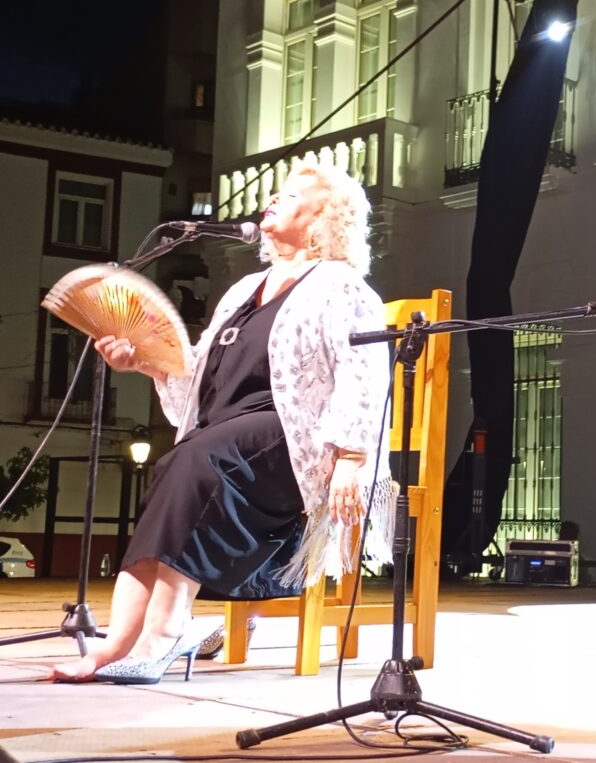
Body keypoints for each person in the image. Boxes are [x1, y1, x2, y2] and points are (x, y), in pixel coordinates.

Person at [51, 160, 393, 684]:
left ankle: (163, 633)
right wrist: (142, 362)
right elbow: (197, 380)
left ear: (325, 216)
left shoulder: (342, 287)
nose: (273, 199)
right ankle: (116, 643)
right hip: (226, 437)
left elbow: (365, 373)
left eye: (292, 193)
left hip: (293, 441)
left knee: (197, 459)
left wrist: (351, 458)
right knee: (176, 464)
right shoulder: (243, 291)